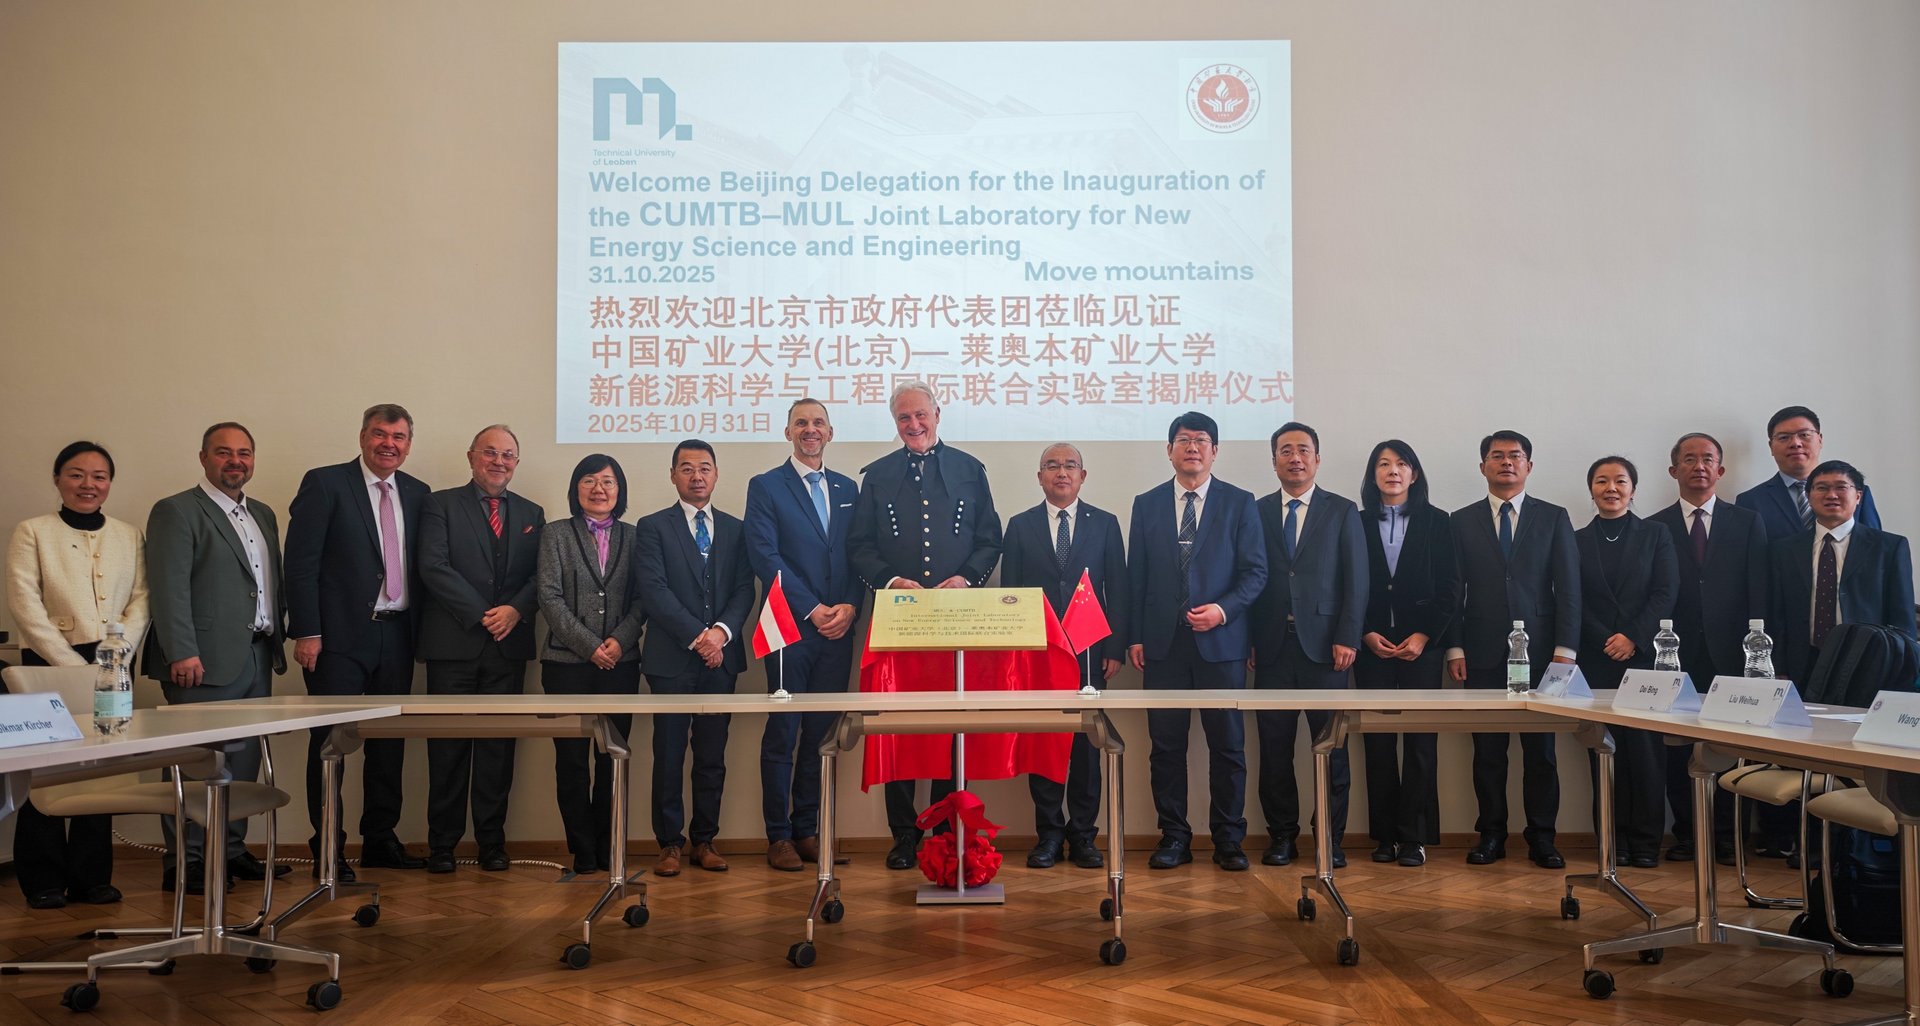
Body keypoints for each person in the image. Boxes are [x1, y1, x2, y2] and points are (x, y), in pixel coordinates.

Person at [847, 381, 1003, 870]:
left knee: (948, 728)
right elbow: (860, 546)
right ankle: (902, 835)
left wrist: (965, 578)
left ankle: (941, 828)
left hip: (956, 618)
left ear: (938, 413)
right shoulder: (876, 476)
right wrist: (891, 581)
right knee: (898, 728)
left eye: (920, 415)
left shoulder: (969, 470)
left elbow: (989, 540)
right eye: (902, 419)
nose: (913, 425)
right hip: (898, 618)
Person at [284, 404, 430, 875]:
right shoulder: (326, 483)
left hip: (398, 634)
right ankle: (328, 846)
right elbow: (300, 563)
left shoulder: (418, 493)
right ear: (363, 436)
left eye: (400, 436)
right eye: (380, 434)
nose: (390, 443)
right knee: (330, 745)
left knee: (389, 746)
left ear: (409, 443)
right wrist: (307, 632)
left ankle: (379, 840)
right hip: (339, 640)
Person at [145, 423, 289, 893]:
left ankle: (228, 851)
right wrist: (181, 650)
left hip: (256, 654)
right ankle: (186, 862)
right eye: (223, 452)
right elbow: (169, 589)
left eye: (244, 453)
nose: (235, 461)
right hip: (201, 660)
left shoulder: (263, 513)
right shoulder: (177, 511)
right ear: (203, 457)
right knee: (196, 763)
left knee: (242, 763)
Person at [5, 441, 147, 908]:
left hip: (113, 662)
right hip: (47, 663)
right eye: (76, 474)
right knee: (43, 773)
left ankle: (92, 877)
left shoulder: (129, 534)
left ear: (110, 482)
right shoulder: (33, 531)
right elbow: (25, 604)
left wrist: (117, 655)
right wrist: (72, 666)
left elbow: (142, 597)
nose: (89, 485)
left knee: (99, 770)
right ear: (58, 479)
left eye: (99, 476)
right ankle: (43, 879)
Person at [1128, 411, 1268, 872]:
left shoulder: (1239, 502)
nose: (1192, 447)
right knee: (1166, 749)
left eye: (1201, 440)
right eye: (1183, 440)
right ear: (1169, 450)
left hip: (1222, 644)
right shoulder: (1146, 504)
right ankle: (1174, 837)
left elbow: (1255, 572)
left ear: (1215, 451)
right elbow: (1137, 579)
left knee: (1227, 747)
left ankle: (1228, 839)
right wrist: (1135, 636)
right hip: (1164, 647)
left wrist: (1222, 611)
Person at [1445, 430, 1580, 870]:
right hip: (1481, 650)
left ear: (1529, 466)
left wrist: (1565, 651)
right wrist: (1455, 648)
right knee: (1488, 751)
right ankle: (1491, 835)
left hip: (1543, 655)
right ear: (1482, 465)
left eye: (1515, 456)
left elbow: (1569, 589)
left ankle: (1542, 838)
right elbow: (1452, 591)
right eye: (1497, 456)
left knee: (1541, 752)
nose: (1506, 463)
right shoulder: (1460, 521)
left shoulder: (1554, 517)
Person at [416, 425, 545, 874]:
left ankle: (491, 843)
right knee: (447, 751)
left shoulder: (533, 513)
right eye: (489, 452)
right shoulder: (439, 504)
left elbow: (539, 578)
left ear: (517, 461)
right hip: (454, 644)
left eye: (508, 454)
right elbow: (433, 565)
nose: (498, 461)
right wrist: (484, 612)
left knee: (497, 751)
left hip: (507, 647)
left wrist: (513, 610)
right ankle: (443, 846)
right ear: (471, 456)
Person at [743, 400, 861, 871]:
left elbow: (858, 555)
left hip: (840, 630)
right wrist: (812, 609)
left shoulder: (848, 488)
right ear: (787, 431)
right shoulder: (766, 486)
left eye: (818, 423)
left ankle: (808, 829)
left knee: (821, 734)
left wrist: (851, 605)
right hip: (790, 628)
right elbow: (764, 555)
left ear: (830, 432)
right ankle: (779, 836)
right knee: (783, 734)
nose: (809, 430)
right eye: (801, 423)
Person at [1001, 443, 1128, 870]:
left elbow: (1117, 591)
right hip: (1039, 655)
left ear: (1082, 475)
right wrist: (1017, 653)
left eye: (1069, 466)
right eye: (1051, 466)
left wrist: (1114, 648)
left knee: (1087, 748)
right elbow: (1011, 595)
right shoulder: (1019, 526)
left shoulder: (1106, 524)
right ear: (1039, 477)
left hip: (1091, 654)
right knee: (1046, 745)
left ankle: (1085, 836)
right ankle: (1050, 834)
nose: (1061, 472)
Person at [1249, 423, 1367, 869]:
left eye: (1303, 450)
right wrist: (1250, 642)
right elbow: (1250, 581)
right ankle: (1282, 837)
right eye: (1285, 451)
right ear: (1274, 460)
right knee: (1274, 752)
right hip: (1272, 650)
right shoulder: (1256, 511)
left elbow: (1357, 580)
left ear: (1318, 459)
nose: (1294, 458)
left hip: (1327, 651)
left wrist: (1348, 637)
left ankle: (1329, 839)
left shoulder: (1341, 510)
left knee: (1331, 750)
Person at [634, 440, 754, 877]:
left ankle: (705, 839)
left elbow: (745, 589)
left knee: (712, 754)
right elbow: (654, 591)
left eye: (704, 468)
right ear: (672, 475)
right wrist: (697, 636)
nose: (696, 476)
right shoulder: (652, 527)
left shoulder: (737, 529)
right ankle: (668, 843)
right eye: (687, 468)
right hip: (671, 660)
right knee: (667, 754)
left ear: (717, 474)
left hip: (720, 660)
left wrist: (720, 634)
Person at [1648, 432, 1765, 863]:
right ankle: (1686, 833)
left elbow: (1759, 587)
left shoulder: (1747, 521)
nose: (1699, 466)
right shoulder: (1654, 525)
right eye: (1689, 459)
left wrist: (1761, 649)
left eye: (1708, 459)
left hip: (1737, 651)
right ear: (1673, 470)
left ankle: (1729, 836)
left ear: (1721, 470)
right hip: (1674, 652)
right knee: (1678, 746)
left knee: (1733, 745)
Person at [536, 454, 646, 874]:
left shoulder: (636, 537)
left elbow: (642, 598)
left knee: (612, 757)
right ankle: (582, 852)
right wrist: (589, 646)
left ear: (620, 490)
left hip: (622, 664)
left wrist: (618, 641)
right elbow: (549, 597)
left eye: (608, 481)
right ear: (575, 487)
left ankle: (608, 846)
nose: (599, 489)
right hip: (566, 664)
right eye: (589, 480)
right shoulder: (556, 534)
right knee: (571, 760)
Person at [1354, 440, 1458, 868]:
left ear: (1414, 474)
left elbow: (1452, 589)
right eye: (1382, 464)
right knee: (1377, 744)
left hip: (1422, 647)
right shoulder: (1355, 522)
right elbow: (1345, 585)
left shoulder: (1439, 522)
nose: (1392, 471)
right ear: (1372, 474)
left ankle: (1414, 836)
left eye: (1401, 464)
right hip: (1372, 646)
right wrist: (1364, 634)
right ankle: (1384, 835)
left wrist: (1424, 636)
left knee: (1420, 742)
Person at [1574, 456, 1677, 869]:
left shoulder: (1657, 535)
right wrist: (1606, 639)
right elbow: (1570, 598)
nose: (1610, 487)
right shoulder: (1576, 539)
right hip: (1597, 661)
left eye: (1620, 480)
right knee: (1604, 750)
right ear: (1591, 489)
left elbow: (1666, 591)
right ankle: (1611, 842)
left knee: (1647, 753)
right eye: (1601, 480)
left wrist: (1633, 636)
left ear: (1633, 489)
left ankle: (1647, 844)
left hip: (1647, 659)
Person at [1767, 460, 1915, 685]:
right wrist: (1778, 667)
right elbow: (1776, 615)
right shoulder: (1783, 550)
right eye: (1822, 488)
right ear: (1808, 496)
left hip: (1868, 665)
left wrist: (1899, 674)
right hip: (1801, 664)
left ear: (1858, 496)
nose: (1831, 495)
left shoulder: (1889, 548)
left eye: (1841, 487)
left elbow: (1902, 618)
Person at [1735, 406, 1882, 539]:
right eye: (1784, 437)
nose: (1795, 443)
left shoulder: (1855, 491)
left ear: (1820, 439)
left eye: (1804, 435)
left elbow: (1874, 546)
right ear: (1771, 447)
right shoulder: (1750, 501)